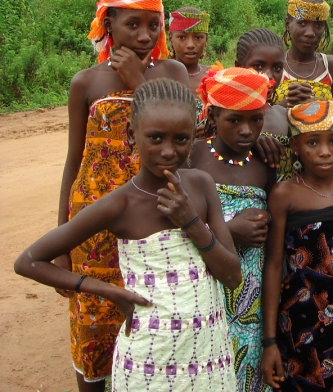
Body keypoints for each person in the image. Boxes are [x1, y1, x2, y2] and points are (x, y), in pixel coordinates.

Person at [16, 78, 242, 391]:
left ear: (194, 137)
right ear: (132, 136)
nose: (168, 150)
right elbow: (28, 261)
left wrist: (190, 220)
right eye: (155, 138)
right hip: (148, 359)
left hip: (207, 354)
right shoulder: (119, 204)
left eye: (180, 139)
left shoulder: (201, 186)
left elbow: (232, 276)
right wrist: (109, 291)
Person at [55, 0, 188, 391]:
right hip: (94, 223)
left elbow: (183, 134)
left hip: (156, 214)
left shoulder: (173, 72)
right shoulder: (86, 82)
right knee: (94, 321)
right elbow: (74, 160)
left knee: (156, 317)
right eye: (133, 24)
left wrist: (137, 82)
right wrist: (62, 243)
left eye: (153, 24)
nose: (145, 35)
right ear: (108, 24)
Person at [261, 100, 333, 391]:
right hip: (301, 322)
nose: (325, 151)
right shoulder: (285, 194)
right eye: (312, 142)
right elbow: (275, 264)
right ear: (296, 147)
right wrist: (270, 342)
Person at [190, 66, 276, 391]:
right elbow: (171, 230)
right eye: (235, 120)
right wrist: (228, 231)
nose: (247, 130)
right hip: (203, 295)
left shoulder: (265, 165)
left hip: (249, 305)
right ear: (213, 115)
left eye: (256, 119)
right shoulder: (193, 158)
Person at [235, 28, 293, 181]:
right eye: (259, 67)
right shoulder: (223, 116)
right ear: (239, 67)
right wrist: (250, 142)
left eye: (277, 68)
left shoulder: (283, 115)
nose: (268, 76)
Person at [275, 0, 333, 108]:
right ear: (287, 24)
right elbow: (260, 119)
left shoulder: (330, 66)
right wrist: (286, 102)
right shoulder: (275, 66)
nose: (310, 33)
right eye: (302, 23)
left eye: (318, 25)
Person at [168, 7, 211, 134]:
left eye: (198, 37)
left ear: (206, 40)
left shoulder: (215, 76)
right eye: (182, 37)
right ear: (171, 39)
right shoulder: (157, 73)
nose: (190, 44)